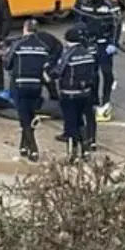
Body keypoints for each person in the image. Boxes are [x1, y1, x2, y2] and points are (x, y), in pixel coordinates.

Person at [4, 19, 58, 161]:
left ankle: (33, 148)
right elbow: (47, 66)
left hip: (20, 85)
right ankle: (23, 145)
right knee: (30, 115)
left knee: (24, 119)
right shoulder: (43, 47)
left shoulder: (18, 44)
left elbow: (8, 64)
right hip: (36, 86)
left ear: (25, 29)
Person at [50, 26, 98, 161]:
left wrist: (48, 74)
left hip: (69, 93)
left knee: (71, 123)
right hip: (85, 93)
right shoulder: (87, 53)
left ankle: (73, 154)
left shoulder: (68, 54)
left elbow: (58, 71)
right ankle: (86, 150)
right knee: (80, 122)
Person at [74, 0, 123, 122]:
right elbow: (80, 22)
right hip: (90, 42)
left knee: (106, 72)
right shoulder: (85, 3)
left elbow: (116, 24)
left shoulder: (110, 4)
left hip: (104, 43)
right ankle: (94, 99)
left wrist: (113, 42)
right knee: (92, 73)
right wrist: (82, 40)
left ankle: (106, 98)